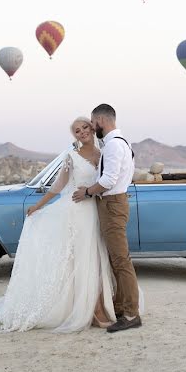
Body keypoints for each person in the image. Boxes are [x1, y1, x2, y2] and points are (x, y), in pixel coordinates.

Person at [0, 117, 116, 332]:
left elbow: (108, 181)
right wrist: (38, 205)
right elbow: (59, 185)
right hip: (76, 212)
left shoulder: (103, 155)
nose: (82, 133)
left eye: (85, 128)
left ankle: (95, 309)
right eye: (77, 131)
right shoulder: (72, 156)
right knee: (82, 261)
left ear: (92, 128)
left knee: (95, 261)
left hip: (94, 211)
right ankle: (94, 312)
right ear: (75, 136)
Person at [72, 103, 141, 333]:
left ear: (101, 120)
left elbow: (109, 180)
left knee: (121, 261)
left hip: (112, 205)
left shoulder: (112, 146)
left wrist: (87, 192)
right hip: (115, 204)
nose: (92, 127)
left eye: (93, 123)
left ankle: (131, 314)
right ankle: (121, 307)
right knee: (116, 260)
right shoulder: (122, 143)